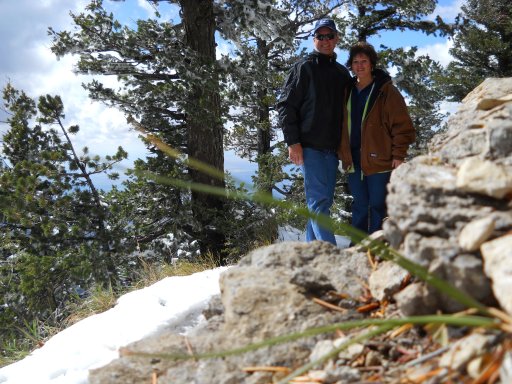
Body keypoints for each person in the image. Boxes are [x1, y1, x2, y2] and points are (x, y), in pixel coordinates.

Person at [277, 18, 351, 245]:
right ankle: (331, 259)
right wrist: (292, 142)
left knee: (320, 204)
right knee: (319, 204)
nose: (325, 40)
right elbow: (285, 106)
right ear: (313, 39)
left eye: (330, 36)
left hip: (331, 150)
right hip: (309, 148)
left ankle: (313, 255)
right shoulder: (304, 68)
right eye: (320, 36)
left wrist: (345, 148)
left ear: (336, 39)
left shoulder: (341, 74)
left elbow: (347, 114)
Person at [338, 41, 415, 235]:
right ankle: (358, 246)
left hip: (380, 159)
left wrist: (398, 154)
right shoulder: (347, 91)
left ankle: (378, 247)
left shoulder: (385, 91)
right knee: (360, 205)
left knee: (378, 206)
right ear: (351, 65)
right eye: (355, 62)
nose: (360, 65)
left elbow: (403, 126)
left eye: (364, 61)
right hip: (354, 159)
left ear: (372, 64)